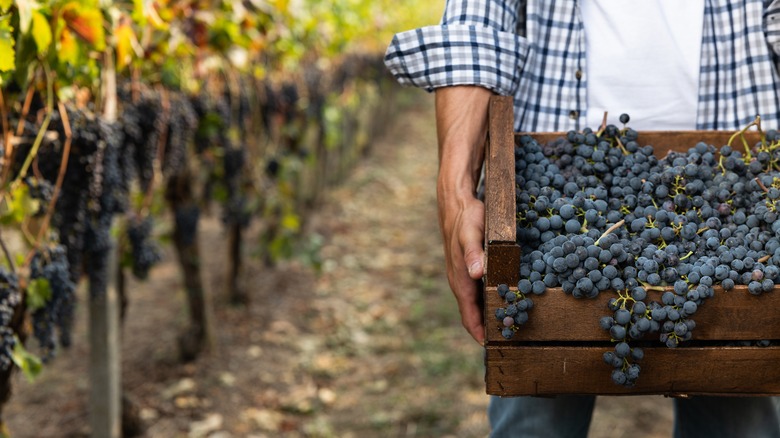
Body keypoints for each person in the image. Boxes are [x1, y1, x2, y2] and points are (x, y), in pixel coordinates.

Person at [384, 0, 780, 436]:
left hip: (738, 172)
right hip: (554, 168)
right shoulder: (565, 217)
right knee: (533, 407)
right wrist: (455, 194)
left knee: (743, 394)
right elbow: (475, 24)